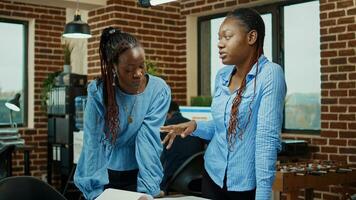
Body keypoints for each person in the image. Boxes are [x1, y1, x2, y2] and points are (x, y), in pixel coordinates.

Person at [161, 8, 286, 200]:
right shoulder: (222, 76)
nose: (219, 44)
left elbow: (266, 141)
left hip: (244, 184)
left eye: (227, 37)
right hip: (212, 175)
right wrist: (195, 126)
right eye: (219, 38)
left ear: (251, 37)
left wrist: (263, 195)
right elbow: (223, 127)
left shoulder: (270, 74)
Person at [74, 27, 170, 200]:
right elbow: (93, 142)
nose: (138, 73)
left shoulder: (158, 90)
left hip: (139, 172)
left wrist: (148, 191)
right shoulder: (99, 92)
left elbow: (148, 140)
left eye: (142, 65)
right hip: (104, 174)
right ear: (114, 68)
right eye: (129, 69)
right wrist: (95, 193)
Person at [160, 100, 205, 192]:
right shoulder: (194, 127)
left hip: (171, 182)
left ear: (167, 114)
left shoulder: (165, 128)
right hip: (196, 181)